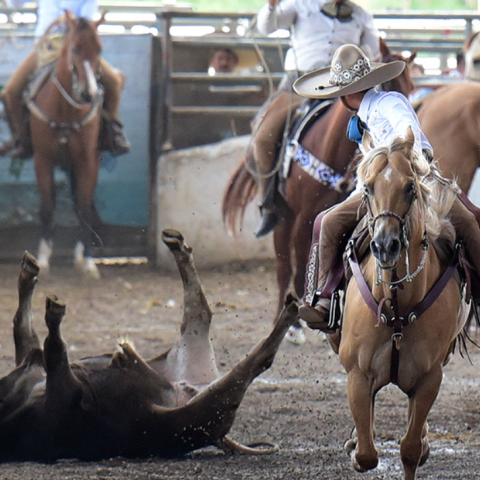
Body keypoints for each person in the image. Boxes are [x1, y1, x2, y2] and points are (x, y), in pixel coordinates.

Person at [293, 44, 480, 331]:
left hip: (417, 179)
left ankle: (323, 300)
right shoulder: (364, 113)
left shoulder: (389, 103)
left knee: (468, 220)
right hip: (376, 189)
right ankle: (324, 299)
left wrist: (400, 157)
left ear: (344, 94)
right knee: (327, 221)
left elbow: (409, 133)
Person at [252, 0, 380, 237]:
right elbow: (266, 26)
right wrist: (270, 7)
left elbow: (373, 52)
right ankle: (269, 202)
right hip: (298, 86)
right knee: (263, 136)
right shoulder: (299, 5)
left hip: (342, 89)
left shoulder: (361, 16)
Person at [0, 0, 130, 159]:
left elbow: (87, 23)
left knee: (114, 82)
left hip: (78, 48)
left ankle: (114, 131)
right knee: (10, 92)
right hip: (46, 47)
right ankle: (20, 138)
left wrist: (69, 22)